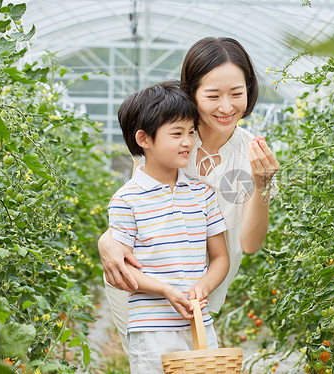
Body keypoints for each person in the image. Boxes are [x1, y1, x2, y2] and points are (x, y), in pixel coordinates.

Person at [99, 37, 280, 355]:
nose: (226, 107)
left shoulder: (251, 153)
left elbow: (250, 245)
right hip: (145, 293)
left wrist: (261, 185)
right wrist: (106, 241)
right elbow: (137, 210)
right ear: (192, 93)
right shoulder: (164, 140)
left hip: (202, 292)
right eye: (212, 95)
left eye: (237, 94)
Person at [108, 80, 230, 372]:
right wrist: (167, 291)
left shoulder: (202, 194)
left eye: (190, 132)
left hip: (198, 323)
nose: (188, 141)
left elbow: (220, 257)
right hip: (151, 329)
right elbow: (124, 270)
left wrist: (204, 285)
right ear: (144, 139)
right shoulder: (126, 200)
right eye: (176, 133)